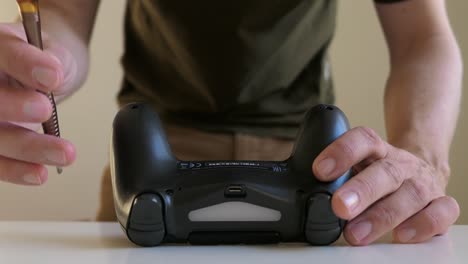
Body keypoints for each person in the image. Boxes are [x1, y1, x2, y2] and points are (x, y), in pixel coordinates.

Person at [0, 0, 462, 246]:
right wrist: (38, 64)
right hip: (153, 162)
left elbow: (421, 35)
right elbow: (61, 14)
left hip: (311, 164)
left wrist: (422, 159)